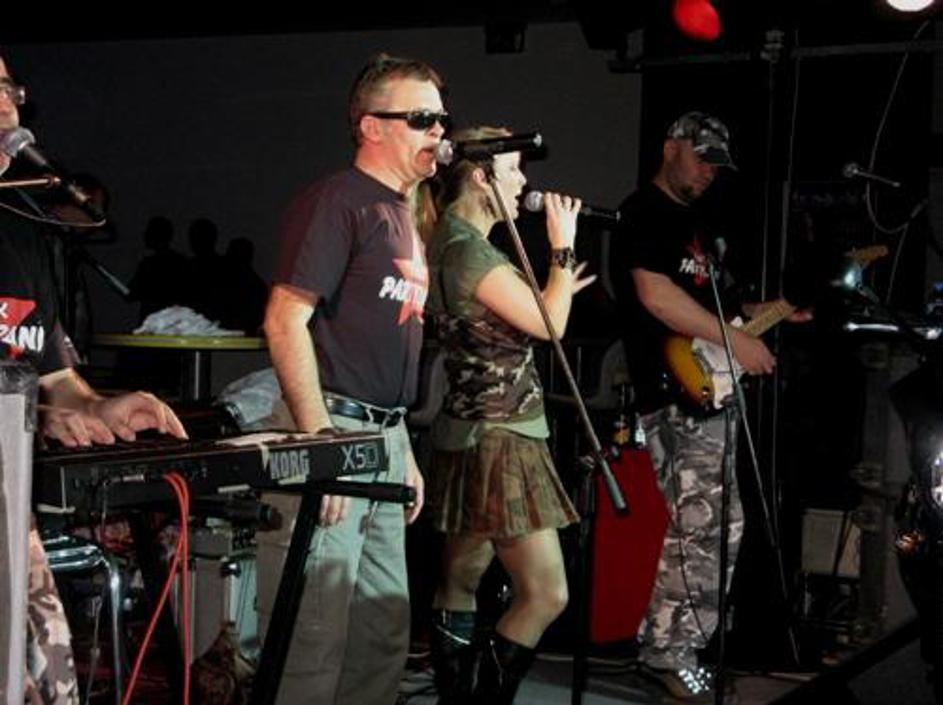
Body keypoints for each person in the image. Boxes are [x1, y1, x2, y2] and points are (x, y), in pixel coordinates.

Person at [0, 55, 188, 705]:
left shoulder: (22, 226)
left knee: (46, 681)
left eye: (8, 89)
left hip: (10, 515)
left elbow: (54, 375)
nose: (5, 105)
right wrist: (34, 416)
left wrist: (99, 405)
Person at [257, 53, 444, 704]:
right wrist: (319, 440)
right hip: (331, 425)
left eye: (441, 120)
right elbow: (284, 319)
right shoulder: (339, 200)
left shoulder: (403, 213)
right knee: (312, 639)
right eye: (421, 118)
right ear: (372, 126)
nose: (438, 132)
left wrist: (401, 446)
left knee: (381, 634)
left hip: (383, 437)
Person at [609, 111, 808, 701]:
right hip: (673, 390)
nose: (709, 174)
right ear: (671, 147)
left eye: (717, 166)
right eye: (702, 159)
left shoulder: (701, 227)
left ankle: (672, 645)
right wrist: (736, 342)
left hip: (707, 389)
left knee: (717, 523)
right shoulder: (643, 212)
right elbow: (656, 296)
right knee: (704, 522)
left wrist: (771, 312)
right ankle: (666, 651)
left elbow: (719, 307)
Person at [423, 126, 595, 703]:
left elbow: (510, 318)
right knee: (546, 593)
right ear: (481, 177)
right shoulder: (470, 251)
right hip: (501, 437)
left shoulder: (448, 241)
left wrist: (550, 291)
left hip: (468, 432)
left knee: (461, 578)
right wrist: (562, 250)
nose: (523, 182)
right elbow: (553, 325)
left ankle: (456, 694)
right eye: (514, 170)